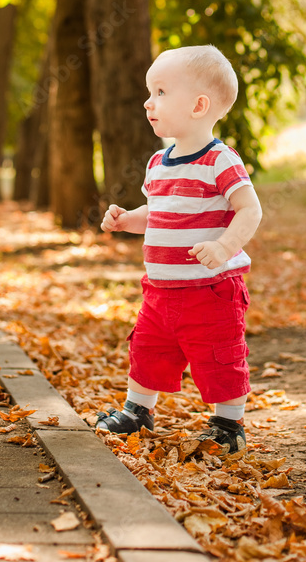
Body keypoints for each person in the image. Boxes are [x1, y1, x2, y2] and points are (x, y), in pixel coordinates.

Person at [95, 44, 262, 454]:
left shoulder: (220, 160)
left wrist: (224, 246)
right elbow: (158, 213)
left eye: (161, 92)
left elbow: (250, 209)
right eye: (150, 92)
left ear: (198, 105)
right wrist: (127, 220)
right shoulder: (158, 162)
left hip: (210, 290)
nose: (148, 102)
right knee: (147, 349)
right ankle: (138, 410)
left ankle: (228, 425)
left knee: (219, 355)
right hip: (160, 289)